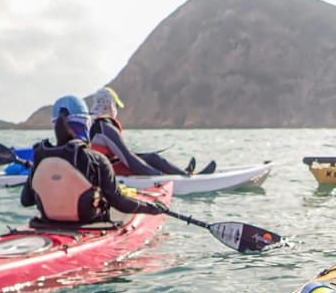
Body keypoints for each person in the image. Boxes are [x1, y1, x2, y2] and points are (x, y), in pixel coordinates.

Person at [20, 95, 167, 224]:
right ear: (86, 123)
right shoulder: (97, 159)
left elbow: (26, 201)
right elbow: (118, 202)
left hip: (48, 222)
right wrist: (152, 208)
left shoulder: (41, 156)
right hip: (89, 222)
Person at [87, 86, 216, 176]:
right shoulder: (105, 126)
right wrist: (159, 176)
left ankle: (185, 173)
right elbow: (129, 160)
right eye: (116, 106)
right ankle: (185, 176)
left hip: (99, 167)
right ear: (109, 105)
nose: (116, 110)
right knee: (152, 159)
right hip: (107, 171)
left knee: (150, 157)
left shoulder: (91, 121)